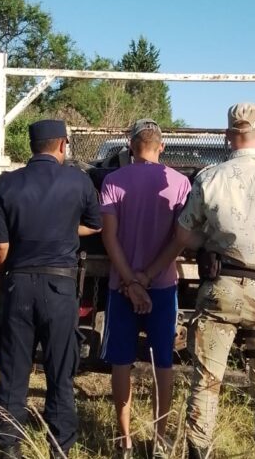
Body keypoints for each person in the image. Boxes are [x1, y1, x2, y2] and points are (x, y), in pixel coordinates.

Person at [143, 103, 255, 458]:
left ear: (227, 136)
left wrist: (211, 241)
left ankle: (198, 452)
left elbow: (184, 234)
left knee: (205, 383)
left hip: (220, 290)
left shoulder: (209, 178)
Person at [0, 119, 102, 459]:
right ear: (63, 145)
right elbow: (95, 225)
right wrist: (65, 228)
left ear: (33, 146)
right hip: (60, 288)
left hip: (19, 284)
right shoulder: (79, 182)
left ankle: (8, 446)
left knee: (14, 368)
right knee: (60, 370)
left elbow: (1, 248)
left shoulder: (7, 184)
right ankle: (60, 447)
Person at [99, 118, 192, 458]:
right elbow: (182, 238)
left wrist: (130, 281)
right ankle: (160, 440)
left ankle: (124, 441)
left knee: (121, 363)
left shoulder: (113, 180)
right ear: (161, 147)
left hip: (120, 287)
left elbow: (108, 235)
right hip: (163, 286)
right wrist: (149, 278)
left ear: (130, 147)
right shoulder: (180, 183)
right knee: (162, 364)